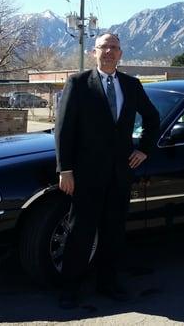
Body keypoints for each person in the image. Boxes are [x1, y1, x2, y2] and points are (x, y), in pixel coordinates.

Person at [54, 33, 160, 309]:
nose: (109, 52)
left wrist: (145, 149)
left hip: (120, 174)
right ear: (94, 52)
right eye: (104, 47)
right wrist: (65, 169)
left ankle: (108, 283)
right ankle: (70, 288)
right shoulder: (78, 84)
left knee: (113, 232)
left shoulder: (131, 85)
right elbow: (63, 130)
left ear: (120, 54)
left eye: (114, 47)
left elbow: (152, 118)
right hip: (86, 175)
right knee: (80, 232)